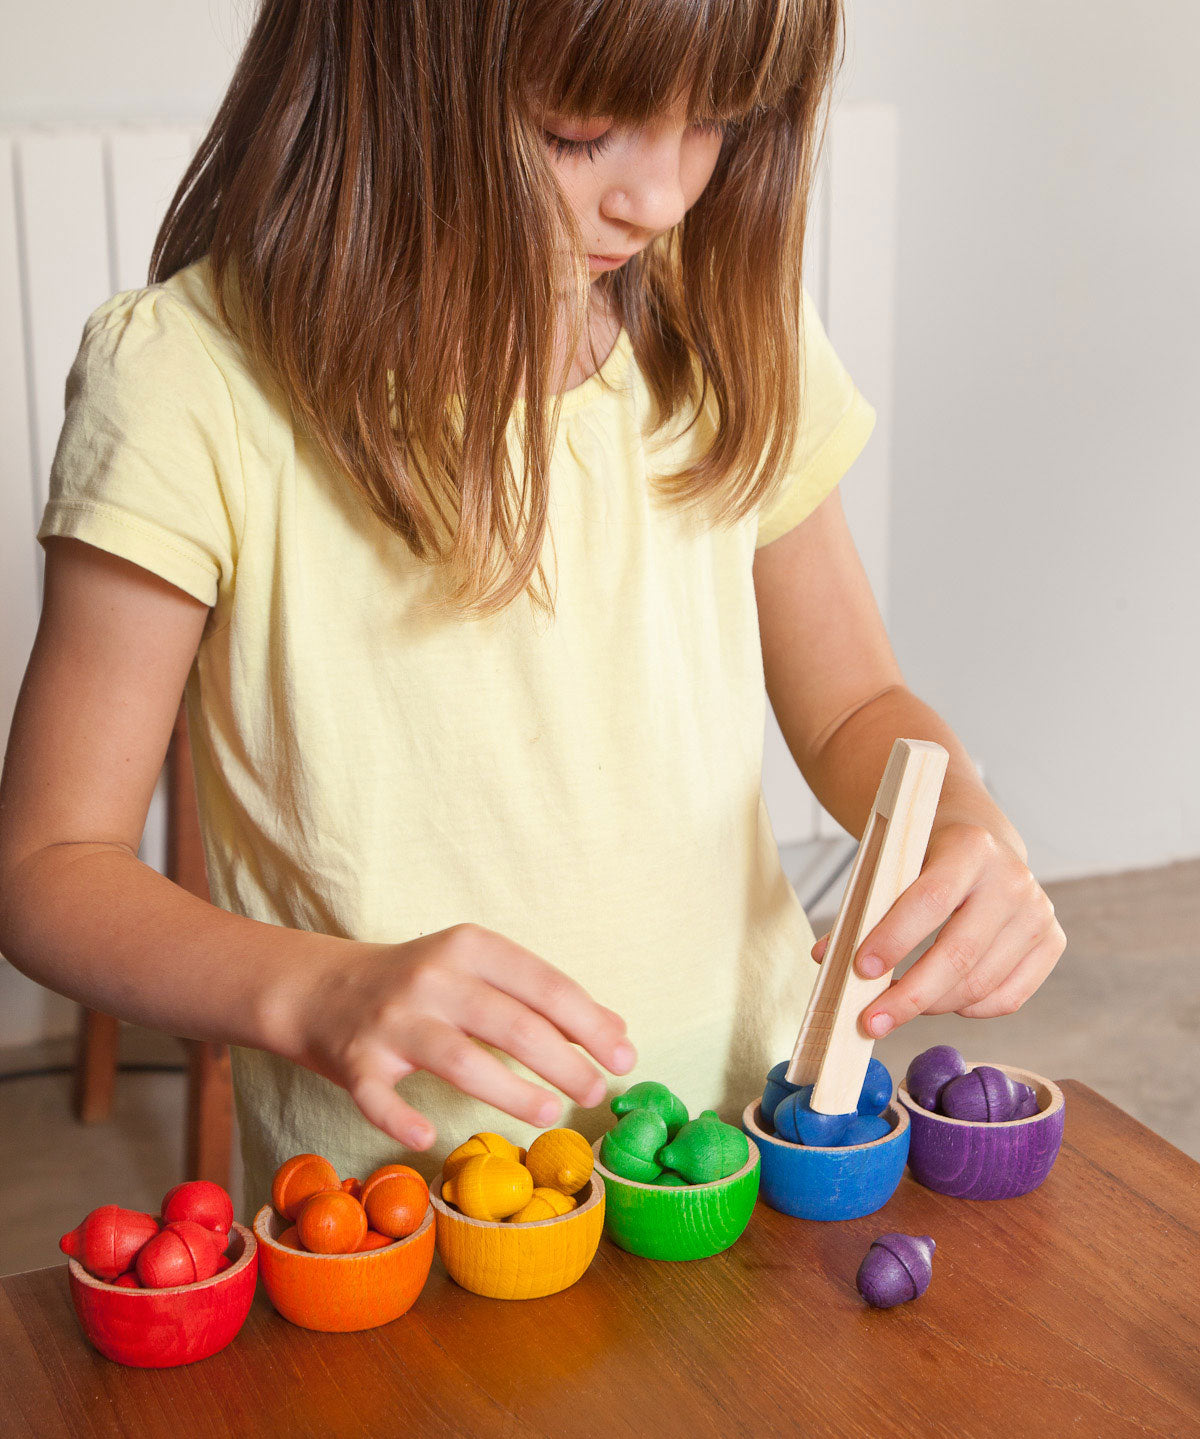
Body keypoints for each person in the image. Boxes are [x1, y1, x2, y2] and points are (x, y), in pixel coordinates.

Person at [0, 0, 1063, 1208]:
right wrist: (316, 989)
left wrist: (972, 825)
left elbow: (855, 702)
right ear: (383, 66)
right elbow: (49, 863)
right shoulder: (190, 382)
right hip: (420, 1209)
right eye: (581, 129)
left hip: (756, 1140)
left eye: (713, 120)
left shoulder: (727, 323)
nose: (659, 197)